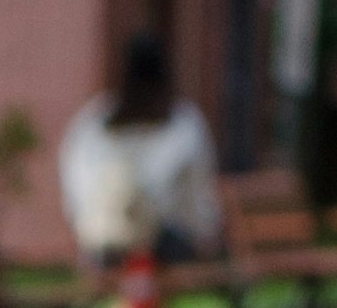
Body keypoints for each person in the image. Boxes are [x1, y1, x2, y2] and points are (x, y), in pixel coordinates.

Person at [60, 32, 223, 269]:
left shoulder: (93, 122)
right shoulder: (183, 125)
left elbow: (75, 187)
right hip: (140, 247)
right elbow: (196, 196)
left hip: (113, 247)